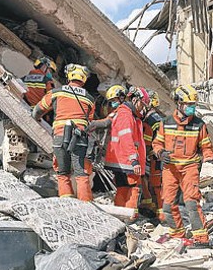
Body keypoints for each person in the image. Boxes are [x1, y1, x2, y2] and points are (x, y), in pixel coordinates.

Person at [152, 85, 213, 247]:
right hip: (170, 168)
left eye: (194, 104)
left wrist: (209, 161)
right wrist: (160, 153)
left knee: (192, 202)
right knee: (167, 205)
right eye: (189, 104)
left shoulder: (199, 125)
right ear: (179, 103)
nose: (192, 108)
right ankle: (177, 233)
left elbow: (206, 147)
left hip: (190, 167)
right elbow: (157, 143)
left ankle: (202, 239)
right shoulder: (165, 123)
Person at [32, 63, 94, 200]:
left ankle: (67, 201)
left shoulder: (56, 92)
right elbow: (89, 121)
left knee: (62, 172)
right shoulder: (89, 99)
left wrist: (38, 118)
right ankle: (86, 205)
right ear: (83, 78)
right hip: (80, 138)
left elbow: (38, 110)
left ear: (69, 76)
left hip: (60, 136)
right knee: (80, 173)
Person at [104, 86, 150, 213]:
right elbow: (127, 138)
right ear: (135, 100)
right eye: (142, 104)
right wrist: (134, 160)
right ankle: (129, 217)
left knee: (122, 188)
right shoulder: (126, 114)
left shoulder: (127, 114)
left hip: (122, 160)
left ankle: (120, 216)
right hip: (128, 161)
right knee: (133, 188)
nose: (143, 108)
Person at [139, 90, 164, 218]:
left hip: (155, 157)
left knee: (155, 185)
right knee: (159, 184)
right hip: (163, 156)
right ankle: (156, 209)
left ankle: (159, 214)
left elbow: (147, 143)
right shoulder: (160, 118)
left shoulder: (149, 121)